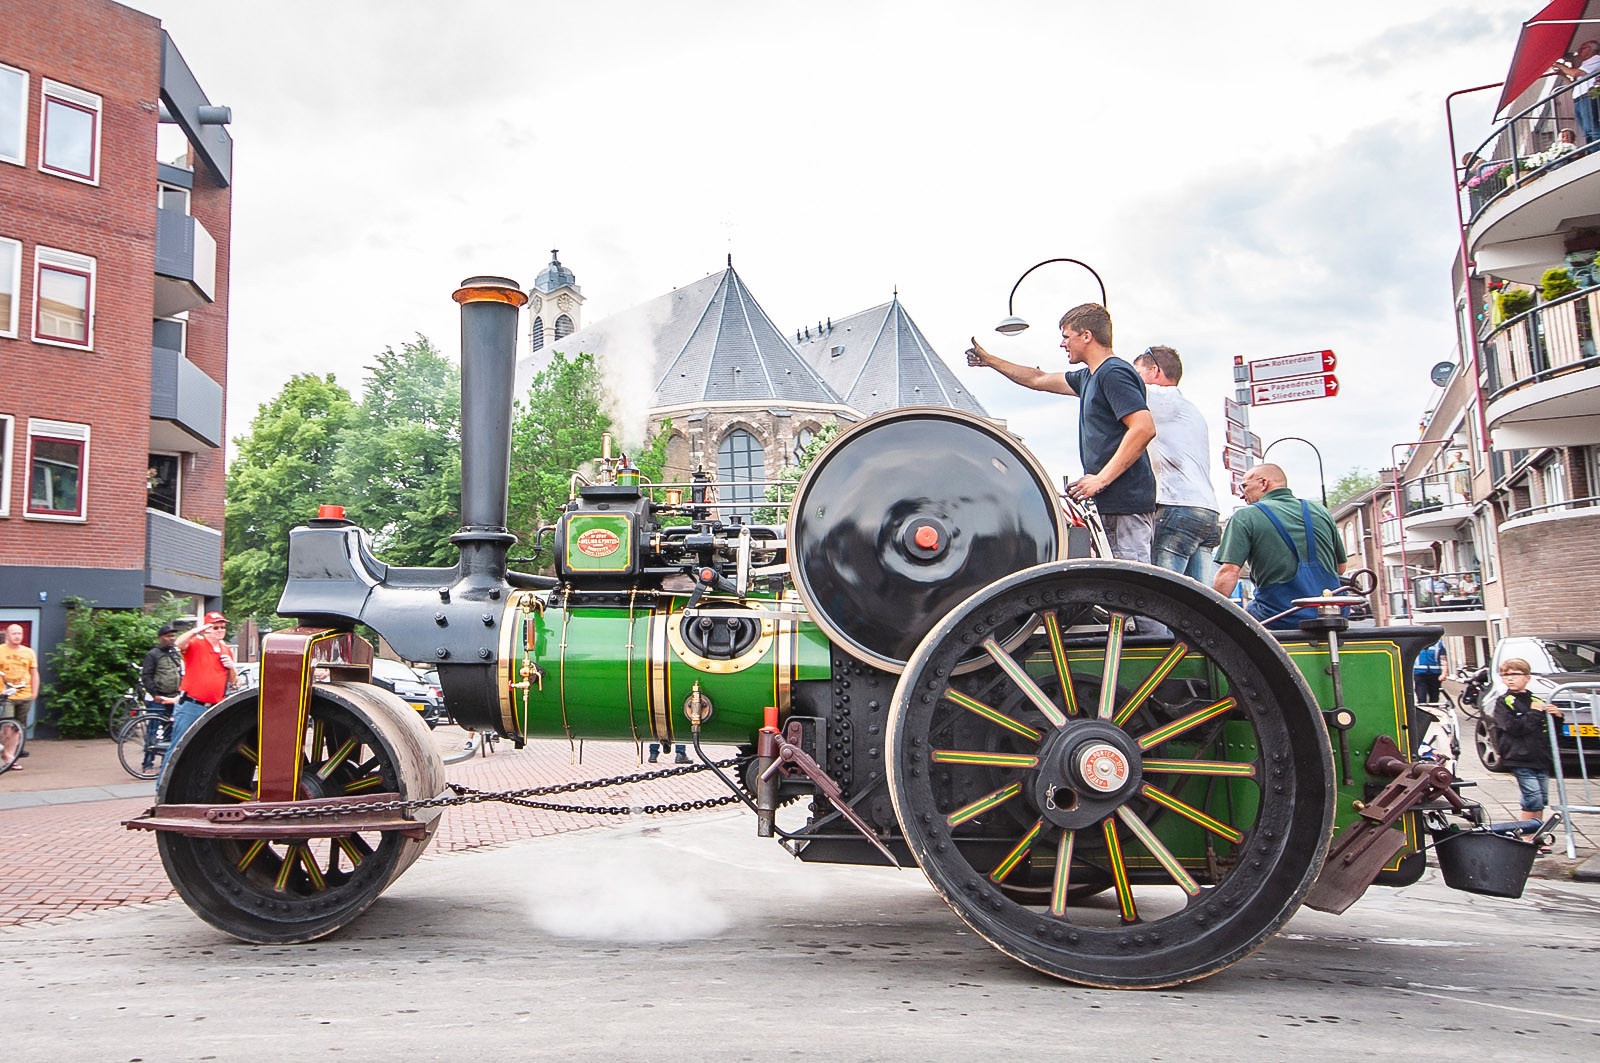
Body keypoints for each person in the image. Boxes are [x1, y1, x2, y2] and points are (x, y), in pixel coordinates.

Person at [968, 303, 1156, 561]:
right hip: (1110, 504)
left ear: (1087, 336)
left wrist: (1100, 479)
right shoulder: (1089, 376)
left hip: (1125, 505)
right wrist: (990, 361)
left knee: (1133, 588)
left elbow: (1144, 427)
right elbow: (1038, 379)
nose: (1062, 344)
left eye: (1066, 337)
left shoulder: (1114, 373)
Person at [1212, 464, 1348, 630]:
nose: (1242, 495)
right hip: (1331, 613)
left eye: (1244, 486)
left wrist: (1209, 615)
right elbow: (1340, 568)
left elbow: (1229, 572)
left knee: (1239, 625)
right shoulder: (1321, 511)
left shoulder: (1245, 516)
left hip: (1279, 615)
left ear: (1263, 483)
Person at [1132, 346, 1220, 581]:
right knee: (1199, 602)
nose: (1133, 379)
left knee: (1164, 594)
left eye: (1137, 373)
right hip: (1207, 510)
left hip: (1177, 505)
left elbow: (1112, 385)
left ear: (1155, 371)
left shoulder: (1160, 397)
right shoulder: (1191, 409)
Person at [1492, 657, 1563, 825]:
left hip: (1540, 757)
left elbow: (1549, 730)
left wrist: (1558, 717)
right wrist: (1534, 714)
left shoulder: (1536, 701)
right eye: (1505, 675)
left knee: (1541, 799)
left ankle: (1537, 833)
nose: (1509, 678)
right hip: (1519, 757)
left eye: (1515, 674)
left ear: (1527, 677)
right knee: (1532, 797)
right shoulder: (1504, 702)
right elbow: (1513, 728)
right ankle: (1526, 835)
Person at [166, 611, 238, 765]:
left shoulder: (227, 650)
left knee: (206, 748)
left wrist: (231, 668)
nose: (220, 630)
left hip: (214, 707)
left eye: (222, 627)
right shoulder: (196, 644)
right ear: (206, 629)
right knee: (178, 747)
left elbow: (233, 681)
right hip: (192, 705)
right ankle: (162, 787)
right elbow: (178, 644)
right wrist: (195, 631)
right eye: (215, 627)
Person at [139, 622, 186, 774]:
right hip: (157, 699)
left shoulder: (174, 653)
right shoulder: (153, 654)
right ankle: (147, 763)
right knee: (153, 730)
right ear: (160, 638)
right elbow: (146, 676)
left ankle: (165, 763)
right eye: (168, 636)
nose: (171, 638)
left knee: (170, 732)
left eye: (173, 636)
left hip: (173, 698)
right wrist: (155, 694)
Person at [0, 623, 40, 768]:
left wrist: (34, 693)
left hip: (25, 694)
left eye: (20, 633)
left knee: (18, 727)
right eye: (14, 633)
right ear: (7, 635)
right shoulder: (1, 651)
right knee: (7, 726)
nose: (17, 636)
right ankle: (5, 753)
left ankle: (10, 755)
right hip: (6, 695)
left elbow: (34, 673)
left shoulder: (29, 652)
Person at [1551, 40, 1600, 144]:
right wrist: (1562, 75)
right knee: (1586, 130)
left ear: (1592, 49)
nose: (1579, 50)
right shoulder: (1584, 64)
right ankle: (1593, 150)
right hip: (1579, 97)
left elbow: (1575, 73)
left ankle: (1597, 150)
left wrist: (1561, 66)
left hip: (1587, 95)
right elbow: (1574, 84)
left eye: (1583, 48)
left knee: (1591, 127)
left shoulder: (1596, 59)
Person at [1413, 640, 1447, 706]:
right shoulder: (1415, 643)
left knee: (1434, 699)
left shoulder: (1438, 644)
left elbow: (1443, 659)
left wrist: (1444, 674)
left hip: (1435, 675)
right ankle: (1423, 714)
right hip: (1420, 674)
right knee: (1421, 698)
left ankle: (1433, 714)